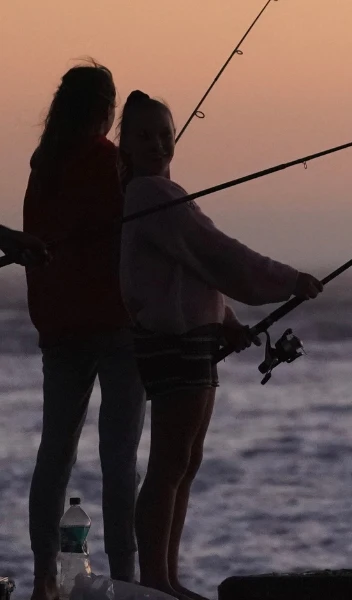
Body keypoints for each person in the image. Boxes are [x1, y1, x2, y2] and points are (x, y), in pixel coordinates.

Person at [117, 90, 323, 600]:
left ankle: (168, 578)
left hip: (195, 337)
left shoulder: (163, 196)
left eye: (164, 133)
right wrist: (286, 279)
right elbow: (215, 251)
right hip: (173, 342)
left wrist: (227, 319)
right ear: (125, 144)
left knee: (187, 460)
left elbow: (192, 272)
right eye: (143, 135)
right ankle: (156, 583)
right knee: (170, 462)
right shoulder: (150, 195)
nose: (157, 143)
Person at [23, 62, 146, 600]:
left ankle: (44, 577)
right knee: (119, 458)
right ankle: (125, 577)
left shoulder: (43, 166)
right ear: (105, 108)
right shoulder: (109, 163)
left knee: (55, 453)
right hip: (116, 325)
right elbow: (141, 232)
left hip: (58, 328)